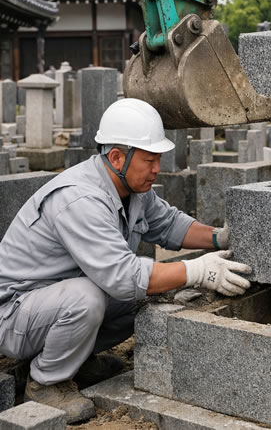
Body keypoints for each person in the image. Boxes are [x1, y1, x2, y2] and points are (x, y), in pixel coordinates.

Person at [0, 98, 252, 423]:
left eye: (158, 158)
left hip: (50, 304)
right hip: (14, 315)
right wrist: (199, 270)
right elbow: (123, 277)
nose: (157, 168)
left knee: (147, 296)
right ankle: (46, 383)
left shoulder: (132, 188)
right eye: (149, 160)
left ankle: (75, 360)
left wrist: (220, 238)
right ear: (117, 157)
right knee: (89, 298)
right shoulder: (80, 199)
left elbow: (169, 224)